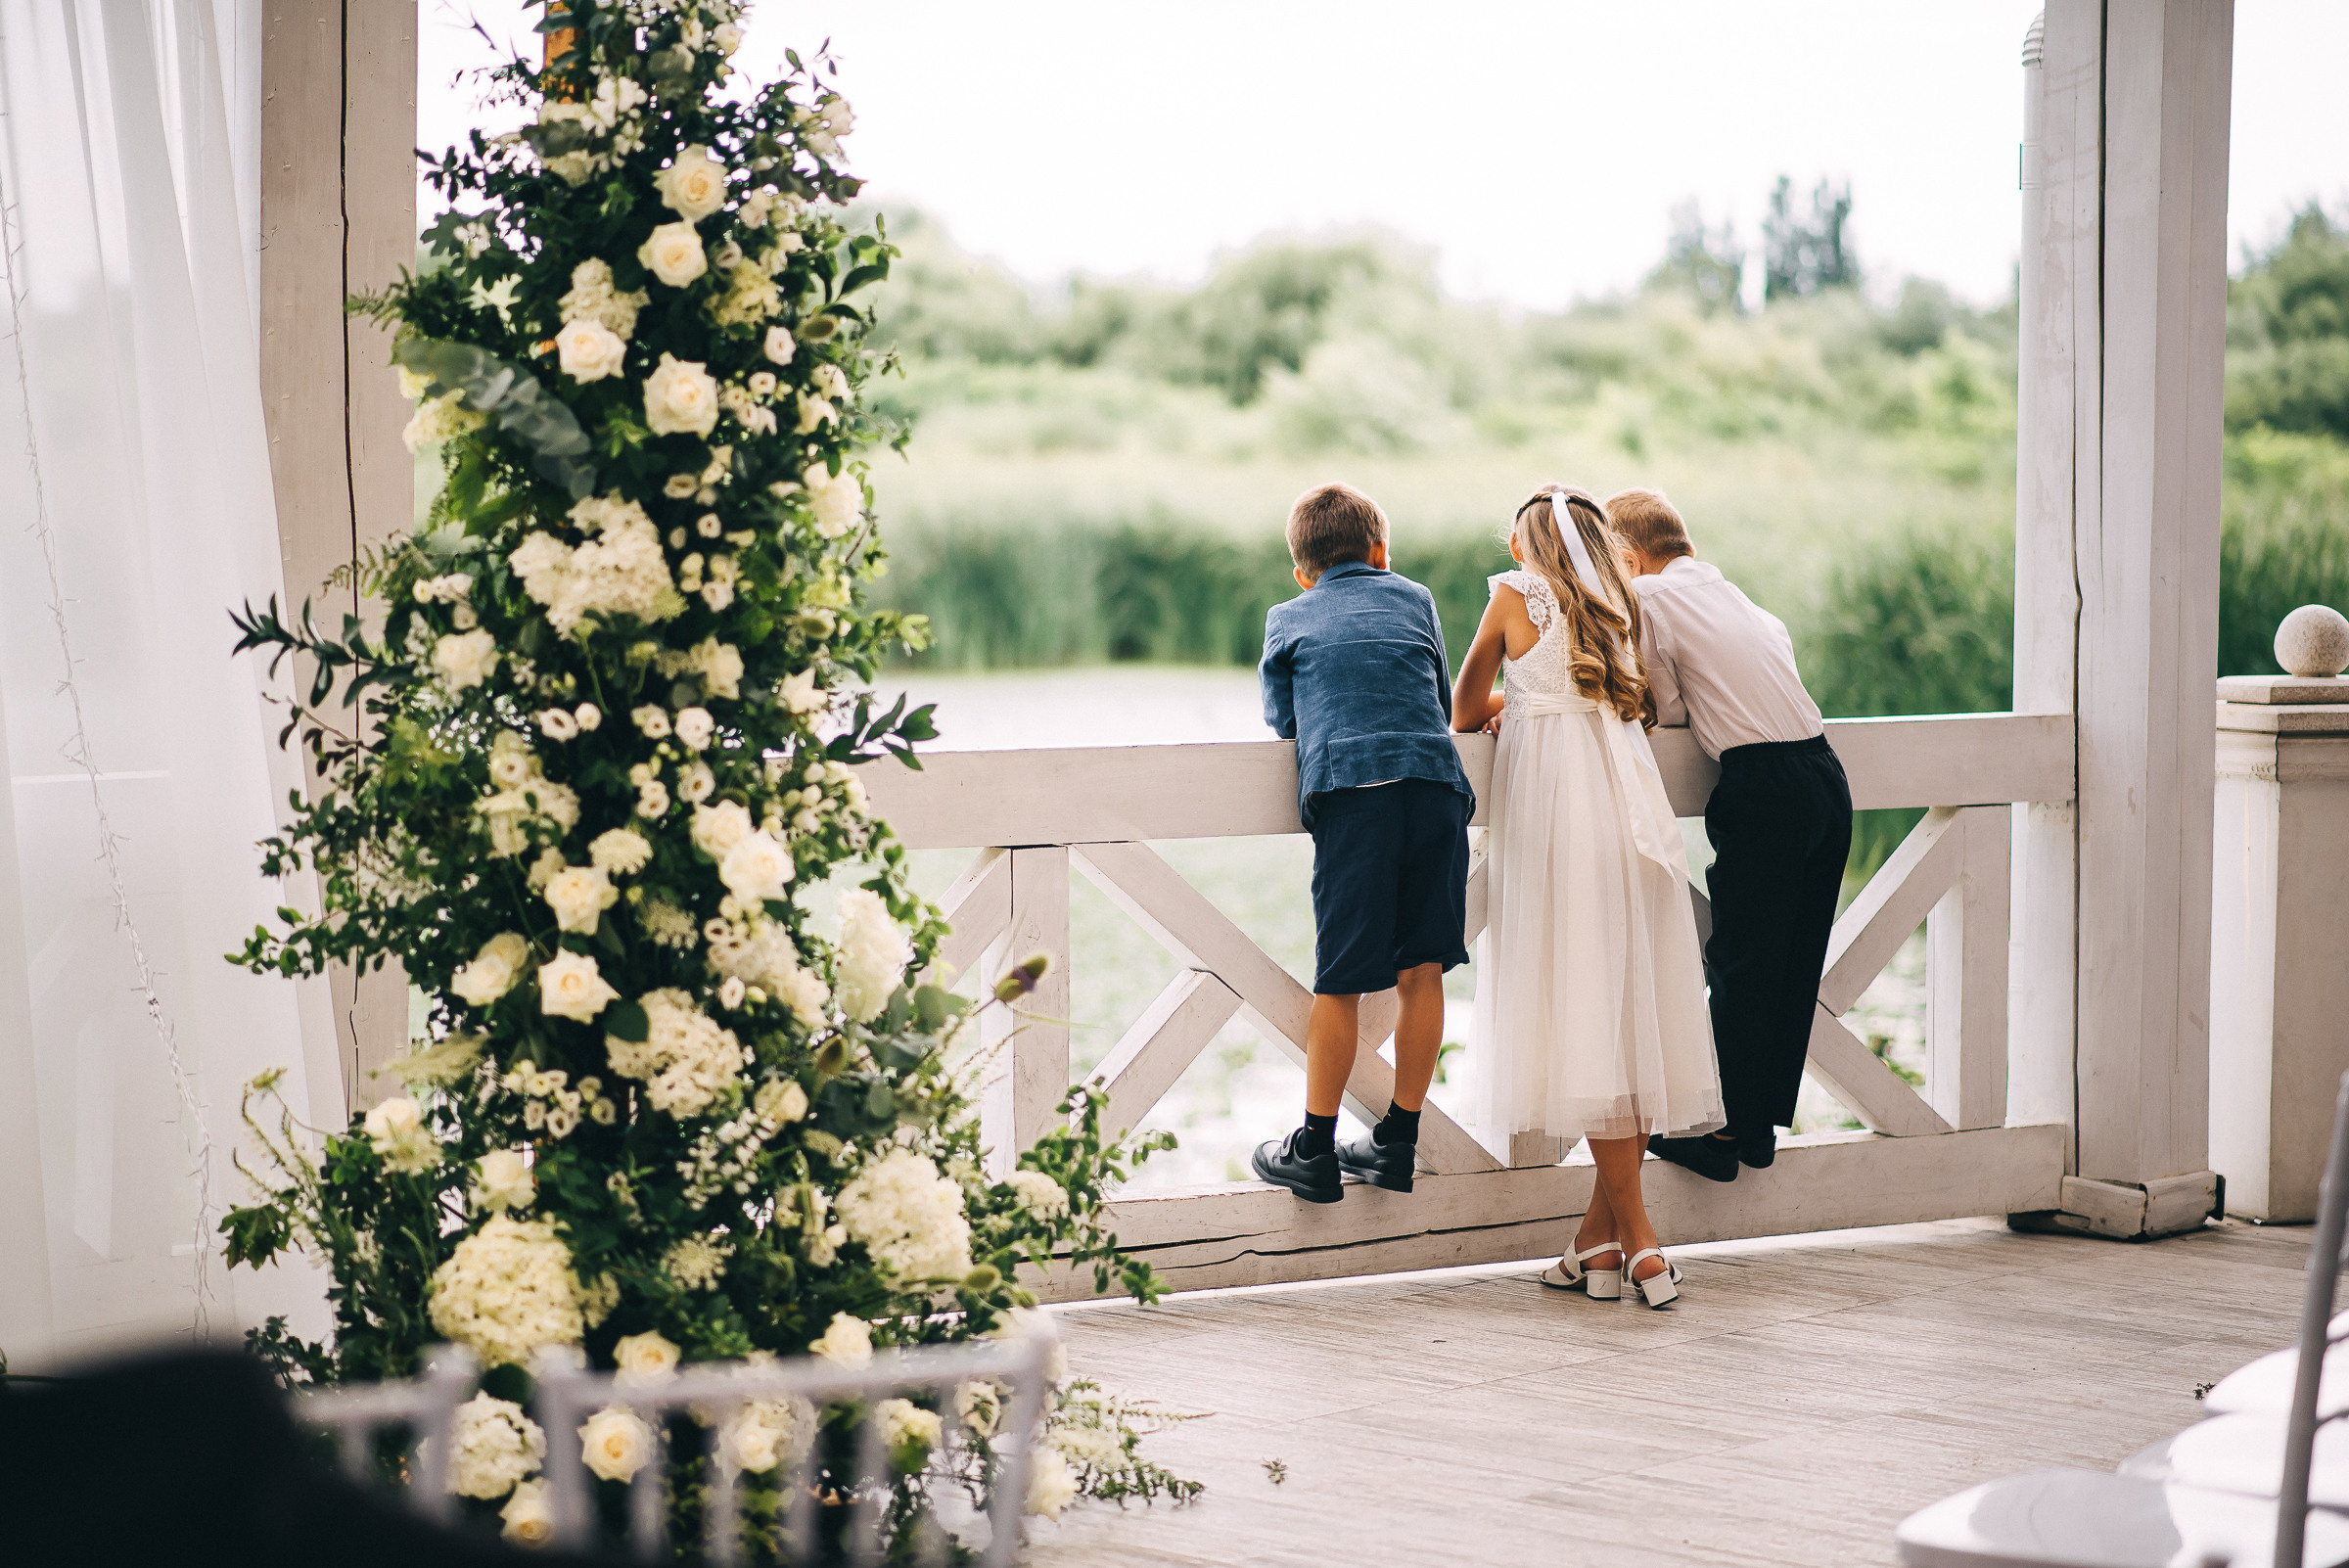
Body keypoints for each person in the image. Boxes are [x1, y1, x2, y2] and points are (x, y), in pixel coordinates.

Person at [1453, 484, 1722, 1308]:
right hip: (1627, 814)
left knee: (1586, 1014)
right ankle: (1594, 1249)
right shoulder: (1624, 603)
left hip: (1558, 821)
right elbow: (1628, 707)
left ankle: (1642, 1246)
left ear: (1523, 547)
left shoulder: (1513, 595)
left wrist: (1516, 706)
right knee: (1626, 1017)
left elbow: (1462, 705)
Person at [1610, 486, 1852, 1183]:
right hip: (1822, 774)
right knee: (1794, 960)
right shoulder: (1741, 600)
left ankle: (1717, 1135)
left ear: (1630, 559)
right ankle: (1758, 1128)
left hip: (1762, 784)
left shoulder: (1650, 600)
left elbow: (1665, 701)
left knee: (1743, 961)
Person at [1252, 483, 1476, 1204]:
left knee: (1341, 980)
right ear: (1381, 551)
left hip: (1355, 799)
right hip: (1437, 790)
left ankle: (1314, 1147)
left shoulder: (1288, 615)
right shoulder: (1414, 598)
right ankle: (1397, 1141)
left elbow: (1282, 720)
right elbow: (1438, 700)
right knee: (1423, 971)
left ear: (1302, 570)